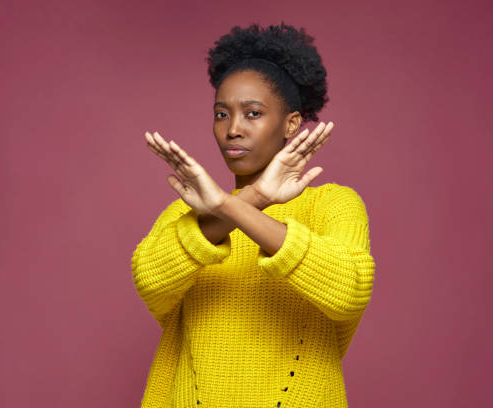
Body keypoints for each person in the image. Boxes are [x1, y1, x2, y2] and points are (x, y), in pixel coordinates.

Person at [131, 22, 376, 407]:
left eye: (253, 113)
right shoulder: (187, 212)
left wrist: (235, 204)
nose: (233, 129)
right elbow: (150, 281)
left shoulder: (333, 204)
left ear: (291, 123)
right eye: (221, 113)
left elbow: (348, 290)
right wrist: (254, 198)